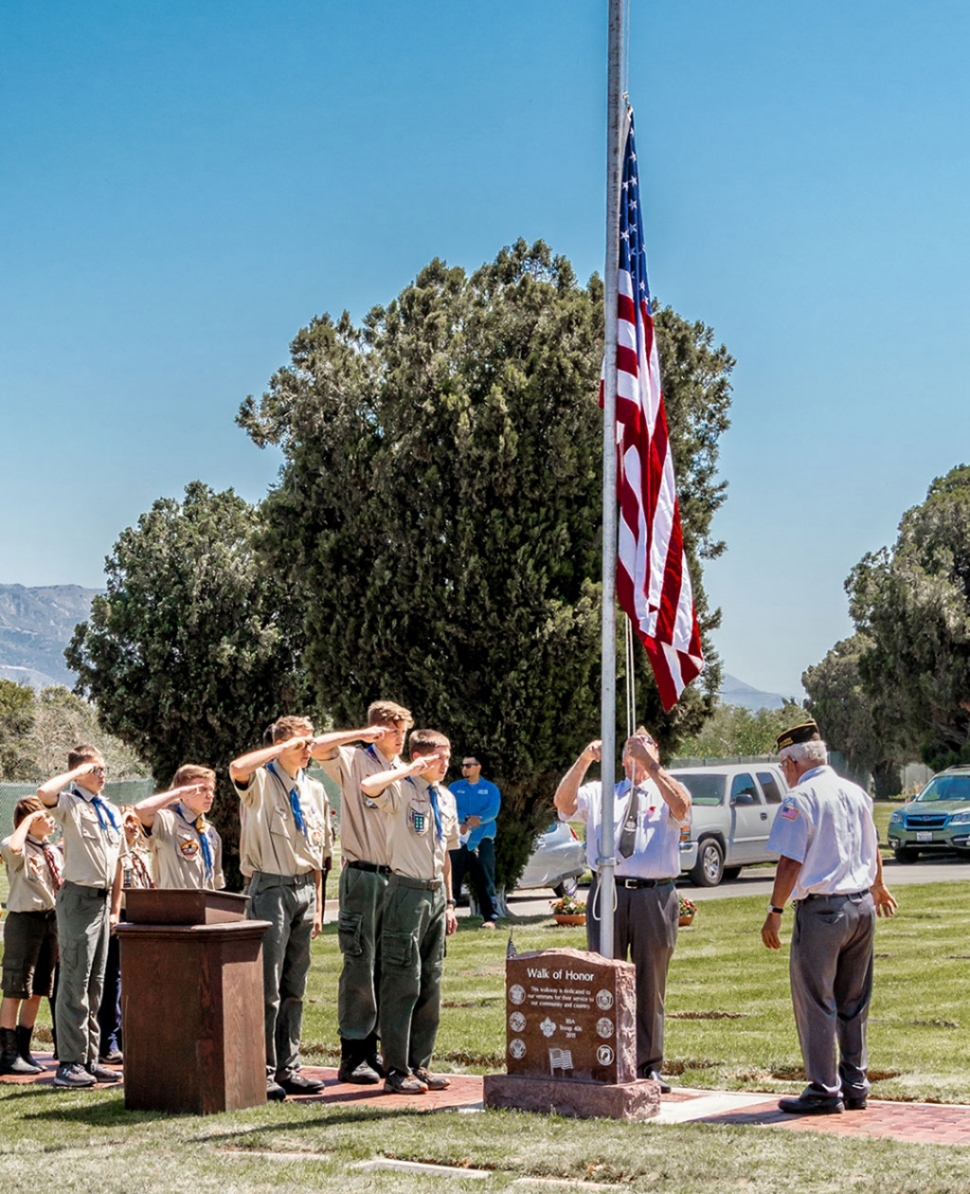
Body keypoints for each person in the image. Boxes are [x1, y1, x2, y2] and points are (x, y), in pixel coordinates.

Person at [761, 720, 897, 1115]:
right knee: (854, 1000)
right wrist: (878, 886)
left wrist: (774, 911)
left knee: (816, 1000)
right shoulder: (855, 793)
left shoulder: (800, 798)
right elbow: (873, 848)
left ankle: (823, 1088)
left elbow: (790, 861)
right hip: (860, 906)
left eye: (784, 765)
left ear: (792, 762)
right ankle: (855, 1083)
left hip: (823, 910)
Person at [554, 728, 692, 1092]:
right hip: (607, 892)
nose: (635, 753)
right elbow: (564, 805)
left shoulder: (666, 790)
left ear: (656, 752)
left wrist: (652, 767)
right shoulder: (603, 793)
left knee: (650, 984)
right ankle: (605, 1058)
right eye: (629, 748)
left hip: (654, 895)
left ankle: (649, 1065)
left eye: (643, 746)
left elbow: (682, 809)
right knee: (603, 978)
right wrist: (584, 759)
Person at [229, 716, 332, 1101]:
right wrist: (277, 749)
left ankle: (290, 1067)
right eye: (300, 744)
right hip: (270, 887)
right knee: (268, 985)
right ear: (280, 745)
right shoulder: (260, 782)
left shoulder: (315, 789)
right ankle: (264, 1068)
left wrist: (319, 907)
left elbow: (319, 854)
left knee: (295, 985)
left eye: (310, 743)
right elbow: (237, 769)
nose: (308, 750)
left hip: (305, 889)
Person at [311, 700, 413, 1084]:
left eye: (403, 730)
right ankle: (355, 1053)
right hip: (363, 875)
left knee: (392, 966)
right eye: (393, 730)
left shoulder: (403, 771)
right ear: (377, 731)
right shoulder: (354, 760)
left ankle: (388, 1051)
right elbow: (318, 747)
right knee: (359, 963)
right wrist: (359, 734)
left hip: (398, 876)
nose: (400, 737)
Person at [359, 728, 459, 1094]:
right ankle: (397, 1069)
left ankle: (421, 1063)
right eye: (439, 758)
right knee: (402, 980)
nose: (446, 765)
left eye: (448, 758)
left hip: (434, 895)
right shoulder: (401, 790)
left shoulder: (445, 798)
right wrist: (409, 769)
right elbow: (369, 785)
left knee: (431, 980)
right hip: (405, 891)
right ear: (420, 758)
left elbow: (446, 853)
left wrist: (449, 902)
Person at [36, 745, 124, 1089]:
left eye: (104, 768)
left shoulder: (111, 810)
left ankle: (90, 1056)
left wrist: (116, 907)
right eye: (96, 769)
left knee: (95, 984)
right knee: (74, 979)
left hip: (102, 902)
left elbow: (117, 862)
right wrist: (77, 773)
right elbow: (44, 793)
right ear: (80, 771)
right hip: (78, 899)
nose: (103, 774)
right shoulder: (71, 804)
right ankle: (69, 1062)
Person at [0, 798, 61, 1075]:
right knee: (16, 987)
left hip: (50, 921)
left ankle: (25, 1050)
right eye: (44, 816)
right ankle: (8, 1053)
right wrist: (25, 820)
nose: (51, 820)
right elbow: (13, 846)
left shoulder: (52, 850)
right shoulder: (14, 844)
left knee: (39, 989)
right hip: (24, 920)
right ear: (30, 819)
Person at [95, 804, 155, 1064]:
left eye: (134, 821)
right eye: (126, 820)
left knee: (141, 980)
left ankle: (134, 1038)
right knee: (113, 980)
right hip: (120, 916)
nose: (132, 825)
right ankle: (109, 1041)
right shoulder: (113, 854)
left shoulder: (145, 853)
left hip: (145, 918)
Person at [135, 766, 225, 890]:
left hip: (204, 905)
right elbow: (140, 810)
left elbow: (216, 883)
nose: (210, 795)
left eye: (211, 790)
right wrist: (177, 793)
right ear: (185, 792)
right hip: (174, 905)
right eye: (203, 789)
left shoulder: (210, 832)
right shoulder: (168, 821)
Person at [448, 755, 501, 929]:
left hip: (482, 840)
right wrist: (466, 819)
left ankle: (490, 919)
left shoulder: (491, 789)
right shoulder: (454, 788)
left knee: (485, 880)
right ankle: (448, 914)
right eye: (463, 765)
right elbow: (450, 807)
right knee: (452, 878)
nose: (465, 768)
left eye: (469, 765)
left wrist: (473, 822)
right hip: (458, 841)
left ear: (479, 767)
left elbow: (492, 811)